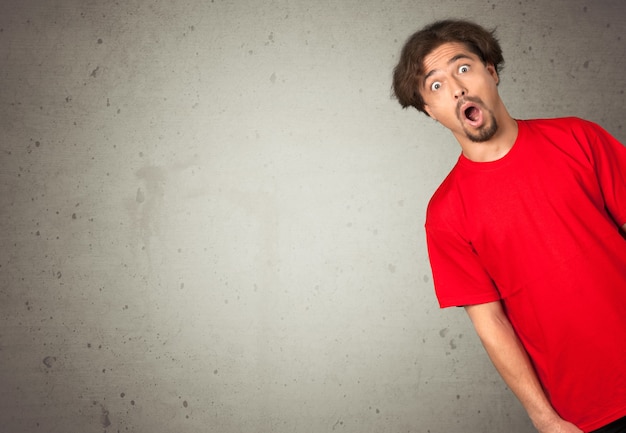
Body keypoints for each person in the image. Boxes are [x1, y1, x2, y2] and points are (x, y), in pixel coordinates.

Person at [392, 19, 626, 433]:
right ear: (429, 110)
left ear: (491, 71)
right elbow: (491, 324)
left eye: (463, 69)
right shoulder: (445, 214)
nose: (457, 88)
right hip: (586, 410)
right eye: (436, 85)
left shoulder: (577, 137)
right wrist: (546, 420)